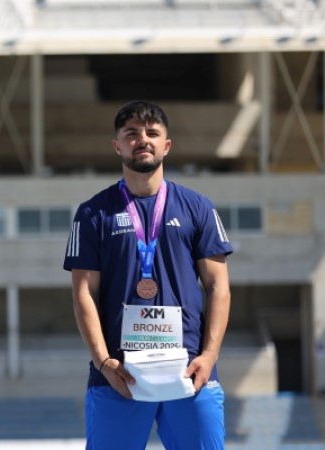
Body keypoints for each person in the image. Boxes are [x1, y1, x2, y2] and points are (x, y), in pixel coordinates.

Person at [63, 100, 232, 449]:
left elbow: (218, 286)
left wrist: (210, 356)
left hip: (189, 372)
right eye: (132, 133)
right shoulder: (92, 213)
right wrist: (104, 361)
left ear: (166, 145)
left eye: (153, 133)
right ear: (117, 145)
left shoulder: (198, 207)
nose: (143, 139)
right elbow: (83, 294)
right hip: (119, 375)